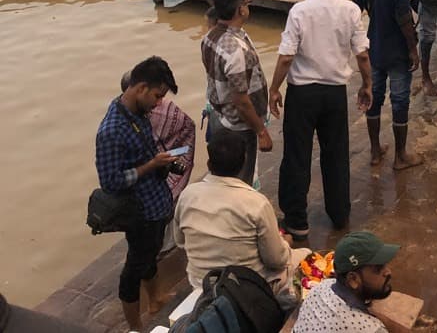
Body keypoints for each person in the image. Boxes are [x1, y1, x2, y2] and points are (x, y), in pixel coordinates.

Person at [269, 0, 372, 242]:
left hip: (303, 93)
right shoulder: (350, 10)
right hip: (334, 93)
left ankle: (297, 221)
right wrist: (368, 84)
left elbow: (287, 56)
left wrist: (274, 88)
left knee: (296, 156)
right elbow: (362, 54)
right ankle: (339, 213)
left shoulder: (299, 12)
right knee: (336, 153)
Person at [95, 57, 182, 331]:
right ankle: (135, 327)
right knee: (134, 267)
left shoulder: (138, 114)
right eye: (157, 96)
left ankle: (155, 297)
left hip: (155, 204)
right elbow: (110, 181)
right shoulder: (111, 131)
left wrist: (159, 162)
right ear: (141, 87)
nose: (159, 104)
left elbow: (142, 153)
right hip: (139, 211)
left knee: (150, 253)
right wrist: (150, 166)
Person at [172, 132, 294, 292]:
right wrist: (286, 243)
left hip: (200, 282)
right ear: (243, 164)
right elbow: (276, 260)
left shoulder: (187, 195)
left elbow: (180, 241)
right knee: (299, 255)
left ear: (209, 164)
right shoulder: (257, 203)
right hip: (245, 288)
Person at [353, 0, 423, 170]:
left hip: (374, 42)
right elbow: (403, 16)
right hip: (395, 45)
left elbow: (356, 8)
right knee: (400, 99)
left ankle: (375, 150)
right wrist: (413, 48)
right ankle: (400, 156)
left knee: (375, 95)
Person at [202, 0, 271, 186]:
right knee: (240, 181)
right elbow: (241, 100)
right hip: (239, 125)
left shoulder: (210, 37)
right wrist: (261, 131)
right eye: (247, 2)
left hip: (220, 114)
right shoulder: (236, 51)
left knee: (223, 177)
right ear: (241, 9)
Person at [293, 231, 399, 333]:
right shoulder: (371, 329)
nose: (388, 272)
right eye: (378, 268)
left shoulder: (322, 287)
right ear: (353, 279)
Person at [120, 70, 195, 205]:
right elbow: (187, 126)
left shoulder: (159, 107)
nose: (158, 102)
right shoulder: (117, 126)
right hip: (145, 181)